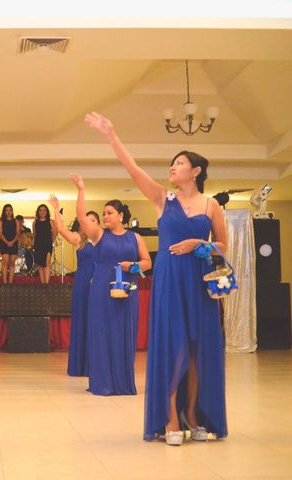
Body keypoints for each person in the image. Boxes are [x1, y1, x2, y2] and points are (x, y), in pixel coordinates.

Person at [85, 112, 228, 446]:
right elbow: (133, 169)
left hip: (198, 281)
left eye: (179, 163)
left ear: (196, 172)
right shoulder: (164, 199)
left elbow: (222, 245)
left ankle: (192, 416)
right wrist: (111, 136)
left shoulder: (211, 206)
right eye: (172, 164)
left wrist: (200, 244)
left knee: (196, 351)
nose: (172, 168)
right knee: (171, 346)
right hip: (169, 280)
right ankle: (168, 418)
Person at [74, 174, 152, 396]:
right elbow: (81, 218)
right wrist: (81, 189)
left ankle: (123, 382)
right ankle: (102, 382)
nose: (105, 216)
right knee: (102, 333)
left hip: (128, 290)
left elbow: (147, 262)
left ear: (120, 215)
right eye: (104, 213)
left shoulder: (135, 238)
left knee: (123, 333)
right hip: (101, 290)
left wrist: (133, 266)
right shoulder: (99, 235)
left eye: (109, 213)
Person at [49, 194, 100, 377]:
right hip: (82, 282)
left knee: (97, 321)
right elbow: (61, 229)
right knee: (82, 319)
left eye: (94, 220)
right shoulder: (79, 239)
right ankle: (80, 365)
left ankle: (96, 364)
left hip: (99, 283)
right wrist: (56, 208)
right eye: (88, 220)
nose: (90, 223)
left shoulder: (104, 240)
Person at [32, 204, 58, 284]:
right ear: (38, 212)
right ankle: (42, 283)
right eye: (40, 210)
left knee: (47, 263)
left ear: (47, 212)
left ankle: (46, 283)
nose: (42, 212)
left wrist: (50, 242)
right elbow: (35, 234)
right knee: (40, 264)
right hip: (38, 244)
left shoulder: (51, 221)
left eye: (44, 210)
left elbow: (55, 233)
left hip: (47, 244)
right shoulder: (35, 222)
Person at [0, 204, 20, 284]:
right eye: (6, 210)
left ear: (12, 211)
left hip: (14, 243)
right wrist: (7, 242)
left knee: (12, 262)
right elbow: (0, 233)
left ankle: (10, 282)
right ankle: (4, 282)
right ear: (4, 211)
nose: (8, 212)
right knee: (5, 261)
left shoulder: (16, 221)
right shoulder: (1, 221)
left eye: (10, 210)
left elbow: (18, 233)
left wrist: (12, 242)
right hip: (4, 243)